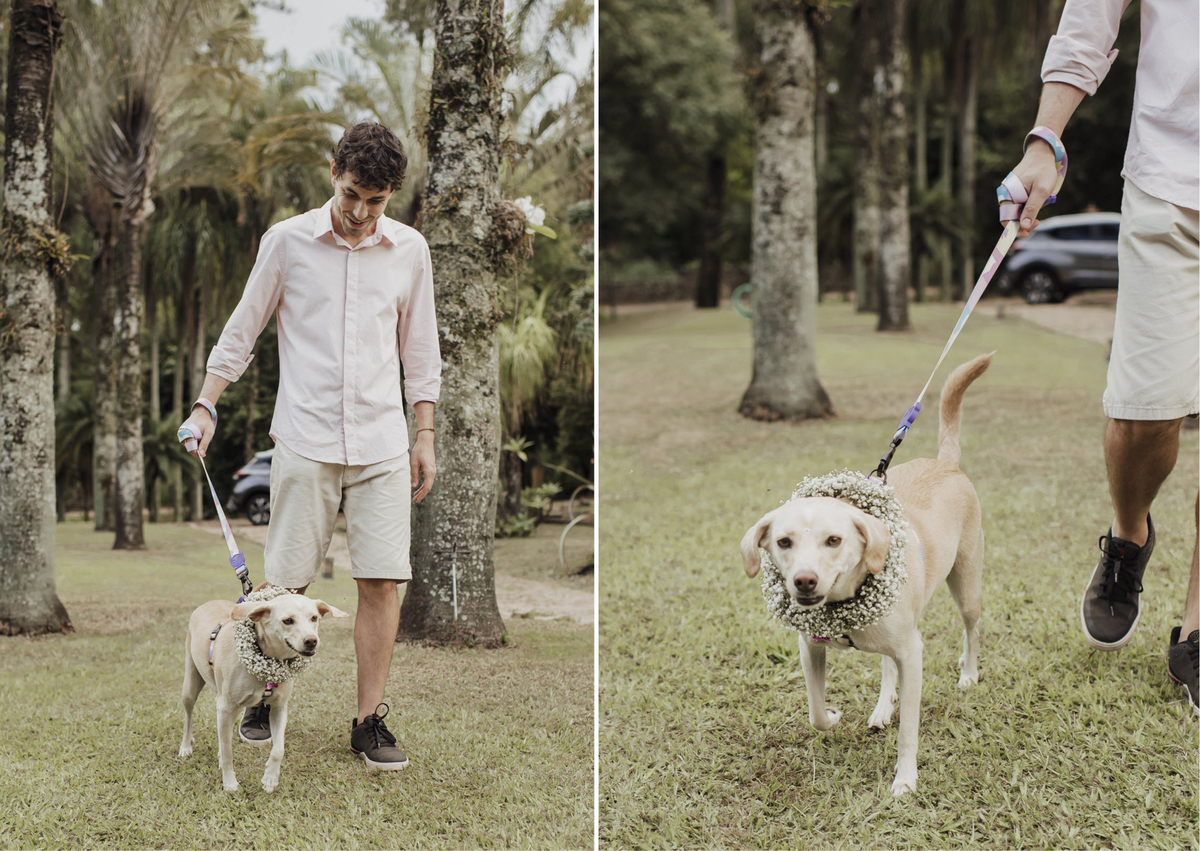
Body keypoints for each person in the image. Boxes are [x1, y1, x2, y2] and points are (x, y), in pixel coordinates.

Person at [179, 121, 441, 767]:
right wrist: (206, 402)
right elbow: (243, 329)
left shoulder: (409, 250)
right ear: (333, 172)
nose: (359, 212)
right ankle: (265, 698)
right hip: (305, 437)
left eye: (375, 201)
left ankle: (368, 722)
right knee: (282, 584)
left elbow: (421, 351)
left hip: (382, 441)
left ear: (391, 196)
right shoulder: (288, 241)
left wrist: (425, 432)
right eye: (352, 193)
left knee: (381, 582)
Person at [1008, 0, 1198, 714]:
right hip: (1171, 186)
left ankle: (1196, 629)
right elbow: (1091, 19)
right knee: (1147, 415)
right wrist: (1045, 140)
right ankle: (1129, 531)